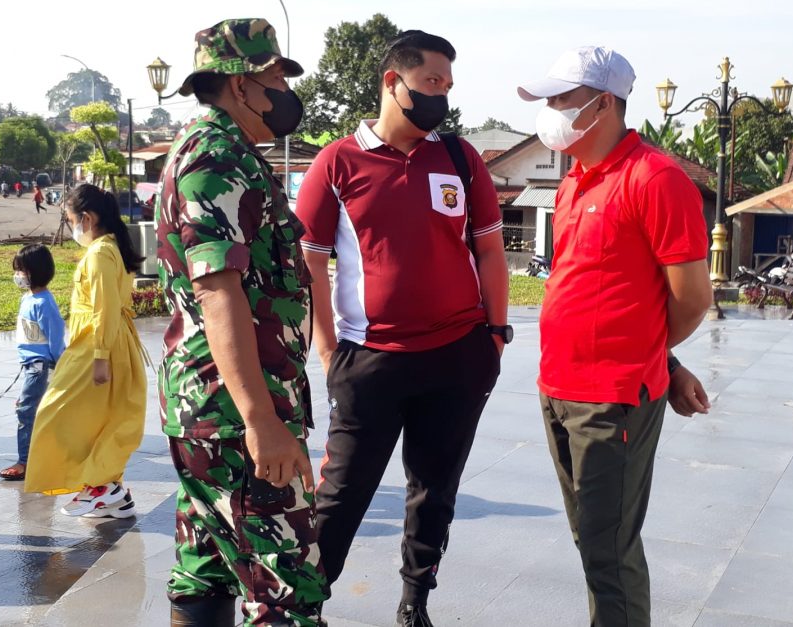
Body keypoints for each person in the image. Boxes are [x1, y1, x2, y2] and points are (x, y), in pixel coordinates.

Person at [296, 30, 509, 627]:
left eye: (448, 85)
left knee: (435, 490)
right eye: (431, 82)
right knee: (341, 495)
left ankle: (416, 601)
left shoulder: (460, 158)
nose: (442, 95)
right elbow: (310, 265)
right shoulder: (337, 162)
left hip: (457, 355)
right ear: (394, 82)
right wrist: (327, 350)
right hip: (370, 360)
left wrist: (494, 337)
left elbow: (490, 252)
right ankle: (305, 604)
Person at [517, 46, 713, 626]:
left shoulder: (655, 179)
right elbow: (605, 289)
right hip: (559, 389)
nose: (551, 110)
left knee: (609, 551)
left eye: (562, 98)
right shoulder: (573, 181)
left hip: (613, 398)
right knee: (592, 539)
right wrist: (671, 364)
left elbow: (693, 297)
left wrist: (654, 361)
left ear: (603, 104)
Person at [155, 18, 327, 626]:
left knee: (205, 570)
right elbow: (217, 290)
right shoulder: (218, 157)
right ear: (239, 84)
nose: (285, 91)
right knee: (287, 590)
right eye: (275, 77)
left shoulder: (219, 150)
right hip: (234, 416)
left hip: (211, 409)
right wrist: (261, 422)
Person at [24, 183, 147, 520]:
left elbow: (104, 308)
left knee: (54, 413)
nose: (71, 226)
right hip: (104, 343)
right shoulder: (110, 248)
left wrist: (101, 357)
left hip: (97, 345)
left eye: (70, 219)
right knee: (104, 418)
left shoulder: (100, 254)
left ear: (87, 218)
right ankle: (110, 493)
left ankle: (101, 487)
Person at [0, 244, 65, 481]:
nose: (18, 275)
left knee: (26, 413)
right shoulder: (28, 298)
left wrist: (61, 366)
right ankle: (41, 458)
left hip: (39, 366)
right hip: (30, 366)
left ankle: (25, 462)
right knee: (31, 410)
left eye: (22, 270)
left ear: (36, 271)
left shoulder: (44, 303)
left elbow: (56, 338)